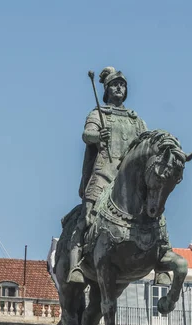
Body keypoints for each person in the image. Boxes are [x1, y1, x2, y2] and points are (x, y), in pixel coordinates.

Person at [67, 66, 147, 283]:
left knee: (153, 211)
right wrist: (97, 136)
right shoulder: (98, 113)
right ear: (107, 89)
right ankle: (75, 264)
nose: (119, 88)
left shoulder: (135, 119)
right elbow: (87, 134)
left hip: (128, 180)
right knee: (87, 215)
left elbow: (145, 143)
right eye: (115, 84)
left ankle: (160, 251)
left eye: (122, 84)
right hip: (104, 173)